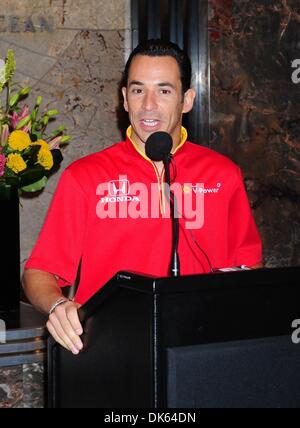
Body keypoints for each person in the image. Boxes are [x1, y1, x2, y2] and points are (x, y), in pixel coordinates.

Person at [22, 39, 262, 355]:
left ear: (186, 100)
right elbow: (39, 271)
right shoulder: (85, 176)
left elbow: (249, 267)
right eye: (138, 90)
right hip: (109, 351)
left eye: (164, 91)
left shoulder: (222, 174)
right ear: (124, 98)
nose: (148, 104)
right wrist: (57, 306)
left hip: (201, 348)